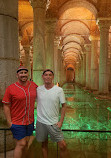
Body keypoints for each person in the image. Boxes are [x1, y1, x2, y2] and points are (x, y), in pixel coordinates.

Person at [2, 66, 38, 158]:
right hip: (17, 121)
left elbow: (42, 94)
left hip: (29, 121)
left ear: (28, 74)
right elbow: (6, 105)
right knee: (21, 144)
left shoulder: (33, 85)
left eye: (25, 73)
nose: (23, 75)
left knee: (26, 143)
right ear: (17, 75)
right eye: (21, 73)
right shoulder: (11, 88)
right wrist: (9, 122)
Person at [36, 69, 68, 158]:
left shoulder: (59, 90)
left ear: (53, 77)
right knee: (44, 145)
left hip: (53, 123)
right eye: (46, 75)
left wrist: (61, 121)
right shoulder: (38, 89)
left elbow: (64, 106)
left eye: (50, 75)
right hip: (41, 122)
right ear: (42, 77)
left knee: (63, 145)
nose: (48, 76)